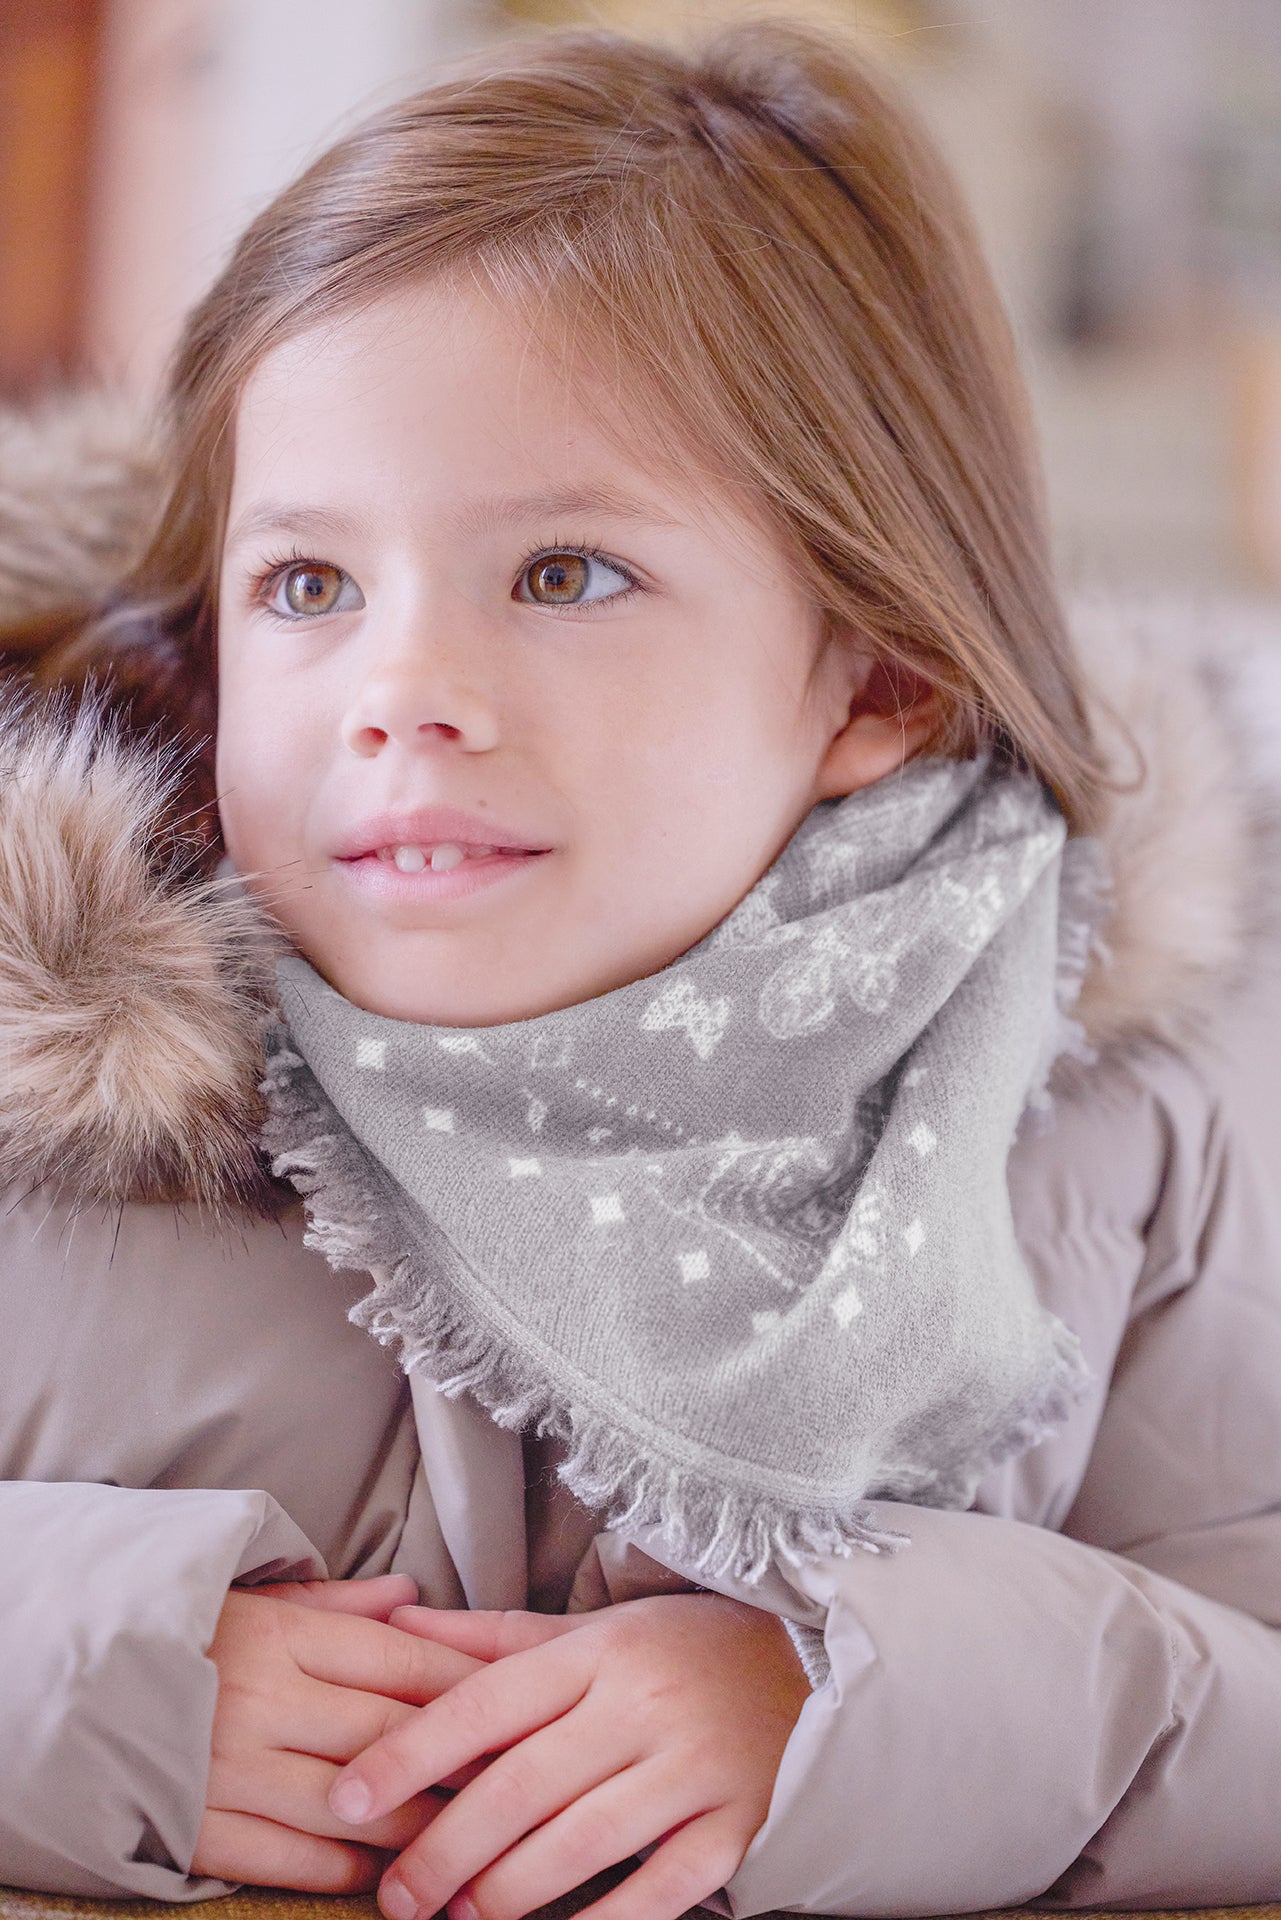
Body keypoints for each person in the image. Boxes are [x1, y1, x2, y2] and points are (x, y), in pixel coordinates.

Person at [1, 18, 1281, 1919]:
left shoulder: (1124, 1098)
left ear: (878, 675)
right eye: (309, 586)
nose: (399, 698)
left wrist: (839, 1701)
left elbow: (1245, 1694)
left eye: (565, 574)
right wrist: (76, 1675)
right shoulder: (46, 1073)